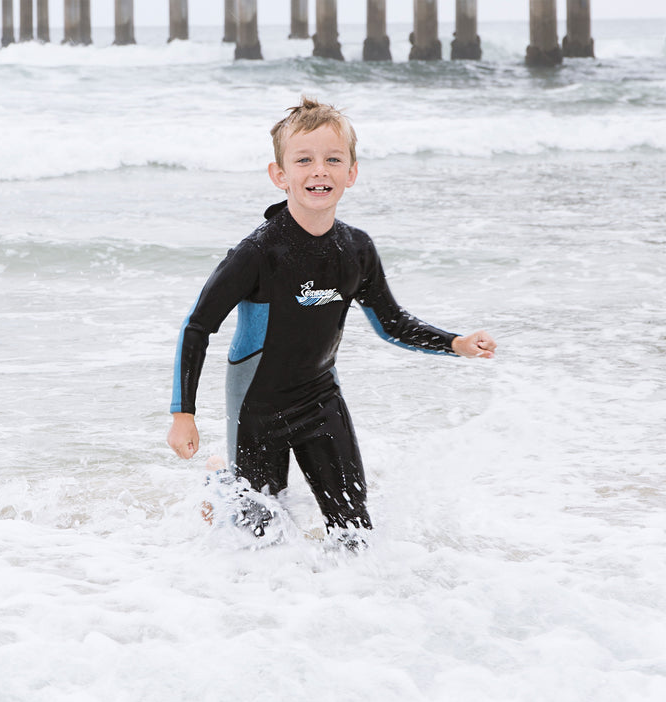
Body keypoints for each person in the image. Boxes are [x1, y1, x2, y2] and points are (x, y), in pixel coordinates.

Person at [168, 97, 496, 546]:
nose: (319, 170)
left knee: (355, 538)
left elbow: (392, 323)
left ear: (351, 173)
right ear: (279, 175)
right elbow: (197, 326)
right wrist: (183, 415)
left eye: (333, 159)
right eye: (304, 160)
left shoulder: (355, 251)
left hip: (320, 401)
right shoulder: (258, 254)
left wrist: (455, 342)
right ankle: (220, 479)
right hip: (257, 410)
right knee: (257, 541)